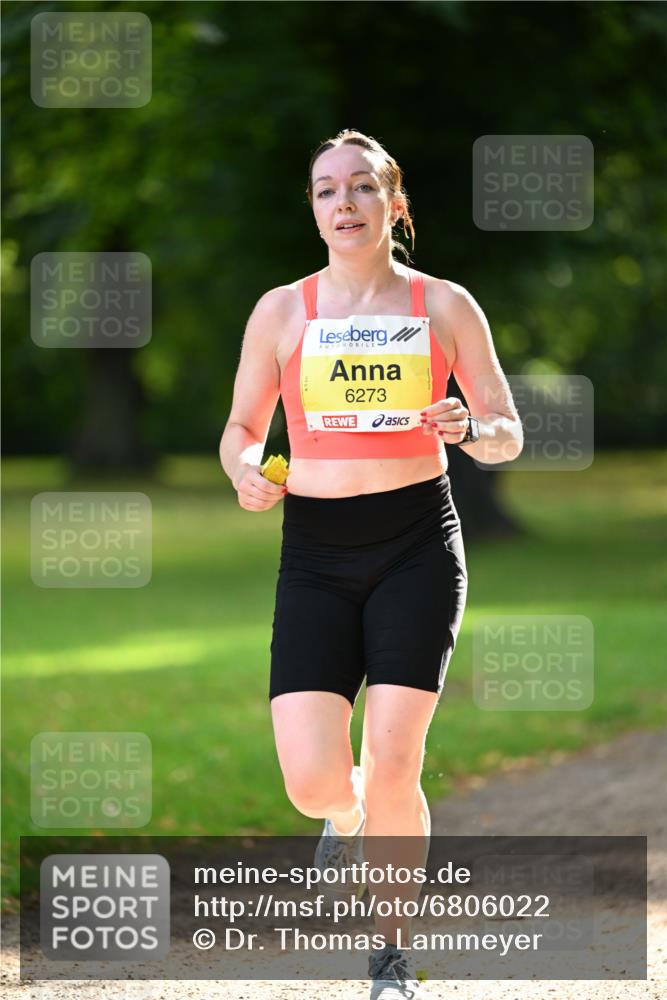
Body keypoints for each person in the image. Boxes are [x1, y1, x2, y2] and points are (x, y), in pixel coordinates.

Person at [219, 128, 523, 998]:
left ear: (395, 203)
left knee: (395, 758)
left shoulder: (444, 306)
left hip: (415, 544)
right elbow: (241, 431)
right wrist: (246, 471)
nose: (342, 203)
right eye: (325, 190)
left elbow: (506, 429)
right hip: (313, 552)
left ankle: (390, 954)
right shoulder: (282, 311)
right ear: (312, 208)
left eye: (360, 187)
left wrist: (473, 428)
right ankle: (343, 815)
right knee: (314, 781)